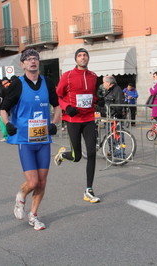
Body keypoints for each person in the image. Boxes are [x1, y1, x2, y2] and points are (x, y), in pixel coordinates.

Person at [0, 48, 61, 230]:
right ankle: (21, 195)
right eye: (29, 59)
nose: (33, 62)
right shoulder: (17, 84)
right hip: (25, 140)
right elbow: (4, 108)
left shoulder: (47, 82)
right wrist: (7, 124)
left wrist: (54, 123)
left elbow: (57, 106)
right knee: (33, 182)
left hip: (43, 139)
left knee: (42, 182)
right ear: (23, 64)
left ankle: (33, 215)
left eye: (35, 59)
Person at [54, 48, 104, 203]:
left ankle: (88, 190)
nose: (83, 57)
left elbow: (91, 96)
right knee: (76, 157)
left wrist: (98, 101)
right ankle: (63, 155)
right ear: (76, 59)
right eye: (80, 55)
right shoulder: (67, 75)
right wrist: (66, 107)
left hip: (89, 119)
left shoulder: (93, 76)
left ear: (88, 58)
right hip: (73, 120)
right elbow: (58, 95)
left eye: (85, 55)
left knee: (91, 153)